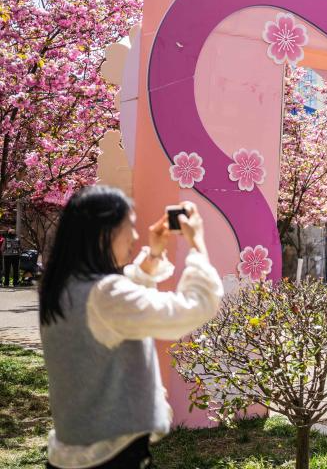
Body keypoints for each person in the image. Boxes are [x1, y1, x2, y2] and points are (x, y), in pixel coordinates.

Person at [38, 186, 223, 469]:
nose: (136, 237)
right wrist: (197, 246)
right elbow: (193, 308)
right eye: (130, 227)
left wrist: (154, 256)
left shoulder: (64, 289)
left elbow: (124, 315)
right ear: (105, 232)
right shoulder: (105, 295)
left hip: (73, 452)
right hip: (112, 457)